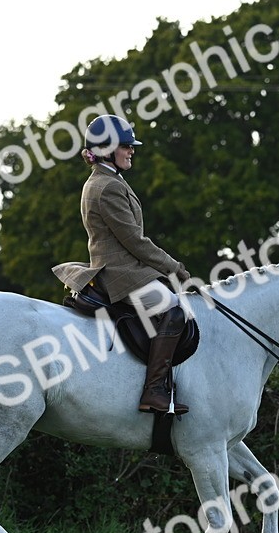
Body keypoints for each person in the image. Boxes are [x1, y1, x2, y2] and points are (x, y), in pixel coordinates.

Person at [52, 115, 192, 415]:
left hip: (126, 269)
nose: (131, 151)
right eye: (126, 146)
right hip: (119, 274)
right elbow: (135, 241)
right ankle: (154, 390)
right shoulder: (107, 187)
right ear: (106, 150)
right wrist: (174, 267)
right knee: (173, 310)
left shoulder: (108, 180)